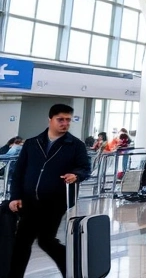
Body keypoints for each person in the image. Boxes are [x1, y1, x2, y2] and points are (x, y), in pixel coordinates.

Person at [7, 103, 91, 278]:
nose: (65, 123)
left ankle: (72, 270)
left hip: (55, 202)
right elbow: (19, 173)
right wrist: (14, 197)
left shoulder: (75, 145)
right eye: (60, 119)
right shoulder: (32, 143)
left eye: (68, 120)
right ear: (50, 120)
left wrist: (76, 175)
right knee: (22, 242)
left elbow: (85, 168)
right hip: (29, 201)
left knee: (46, 240)